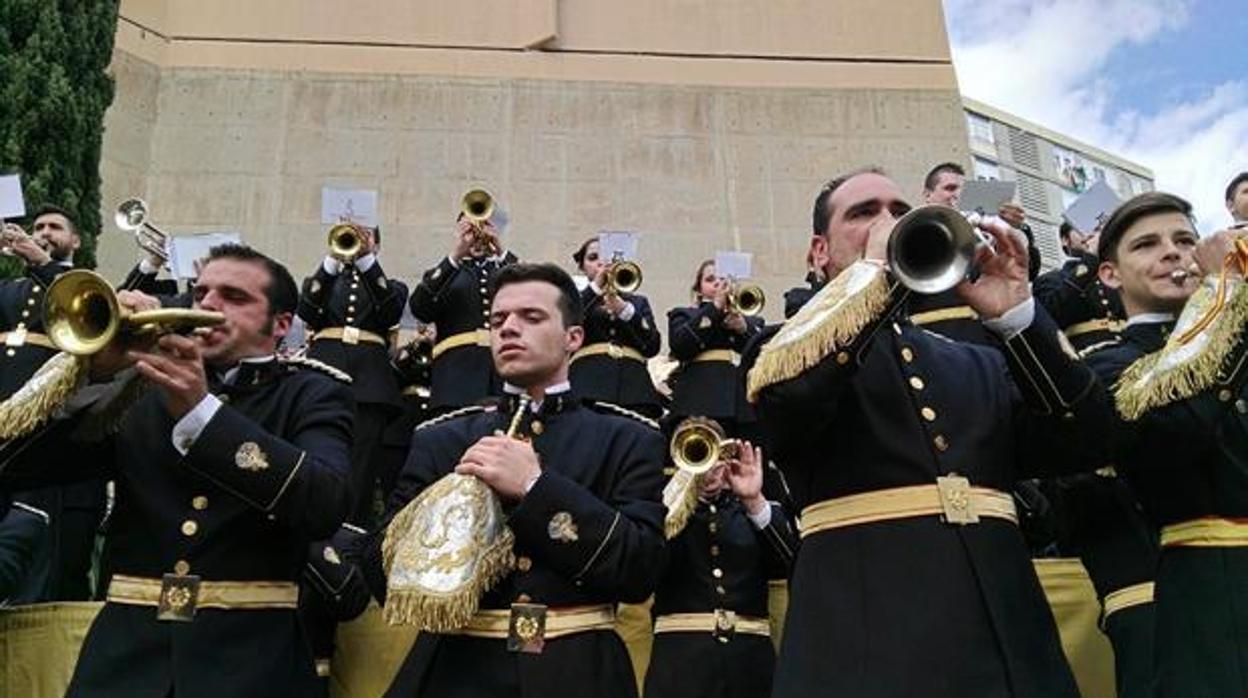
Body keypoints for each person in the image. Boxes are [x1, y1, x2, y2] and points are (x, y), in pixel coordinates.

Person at [745, 168, 1113, 698]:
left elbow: (1087, 438)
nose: (889, 223)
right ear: (819, 252)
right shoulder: (780, 347)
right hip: (869, 650)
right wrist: (873, 275)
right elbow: (795, 401)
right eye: (864, 212)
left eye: (899, 211)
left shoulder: (978, 362)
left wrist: (1018, 316)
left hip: (1010, 647)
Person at [0, 243, 354, 695]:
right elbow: (14, 465)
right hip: (125, 657)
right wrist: (91, 373)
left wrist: (202, 413)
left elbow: (325, 504)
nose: (207, 304)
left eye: (234, 297)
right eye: (201, 292)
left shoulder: (312, 392)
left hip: (250, 659)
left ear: (280, 325)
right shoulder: (138, 391)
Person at [360, 262, 666, 698]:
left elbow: (640, 571)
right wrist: (450, 506)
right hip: (455, 672)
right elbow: (380, 572)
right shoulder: (441, 437)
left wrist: (537, 488)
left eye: (531, 317)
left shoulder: (628, 437)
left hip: (578, 673)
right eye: (498, 320)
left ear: (573, 339)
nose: (508, 329)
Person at [1085, 191, 1247, 697]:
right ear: (1110, 275)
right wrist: (1229, 289)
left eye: (1184, 239)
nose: (1174, 253)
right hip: (1213, 582)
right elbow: (1180, 425)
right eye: (1147, 245)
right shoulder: (1107, 363)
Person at [0, 204, 105, 603]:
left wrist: (42, 260)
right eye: (38, 226)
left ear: (75, 240)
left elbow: (90, 313)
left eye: (55, 228)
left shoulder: (83, 283)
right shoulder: (9, 290)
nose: (44, 231)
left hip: (51, 424)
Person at [643, 441, 797, 698]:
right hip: (682, 664)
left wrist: (754, 500)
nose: (710, 470)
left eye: (717, 458)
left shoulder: (751, 513)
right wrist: (681, 490)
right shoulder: (663, 513)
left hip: (749, 663)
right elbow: (644, 558)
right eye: (702, 459)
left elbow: (791, 562)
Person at [297, 224, 408, 523]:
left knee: (361, 467)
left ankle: (352, 530)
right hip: (323, 373)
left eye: (365, 238)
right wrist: (332, 260)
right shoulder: (323, 280)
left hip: (369, 385)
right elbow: (306, 310)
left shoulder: (391, 286)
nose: (355, 243)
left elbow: (390, 313)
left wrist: (367, 260)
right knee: (316, 452)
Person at [408, 209, 517, 411]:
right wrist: (456, 254)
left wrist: (501, 251)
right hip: (456, 375)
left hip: (500, 373)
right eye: (469, 227)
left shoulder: (504, 271)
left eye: (482, 226)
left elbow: (529, 289)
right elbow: (420, 308)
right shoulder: (444, 273)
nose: (476, 235)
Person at [569, 237, 663, 417]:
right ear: (582, 267)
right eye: (593, 257)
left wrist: (625, 311)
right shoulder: (575, 298)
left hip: (634, 386)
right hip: (587, 383)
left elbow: (652, 345)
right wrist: (596, 287)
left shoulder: (637, 302)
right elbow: (566, 322)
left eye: (606, 258)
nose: (602, 263)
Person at [667, 260, 763, 435]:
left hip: (740, 401)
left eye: (723, 278)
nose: (719, 283)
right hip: (699, 397)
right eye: (710, 279)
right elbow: (680, 347)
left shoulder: (752, 322)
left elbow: (766, 354)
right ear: (698, 289)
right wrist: (715, 308)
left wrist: (744, 328)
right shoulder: (684, 315)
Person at [1034, 221, 1125, 354]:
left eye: (1098, 230)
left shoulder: (1120, 275)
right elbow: (1052, 317)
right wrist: (1091, 259)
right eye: (1082, 228)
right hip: (1087, 355)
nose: (1092, 233)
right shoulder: (1050, 279)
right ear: (1065, 240)